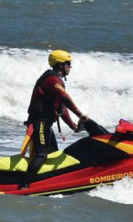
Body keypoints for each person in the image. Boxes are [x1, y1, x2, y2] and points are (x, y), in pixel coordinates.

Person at [19, 50, 88, 189]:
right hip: (40, 124)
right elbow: (65, 98)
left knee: (54, 155)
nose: (70, 67)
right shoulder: (53, 80)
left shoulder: (55, 80)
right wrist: (80, 114)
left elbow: (61, 109)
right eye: (68, 64)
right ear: (60, 65)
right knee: (42, 155)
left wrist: (74, 125)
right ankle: (24, 186)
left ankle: (47, 182)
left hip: (45, 125)